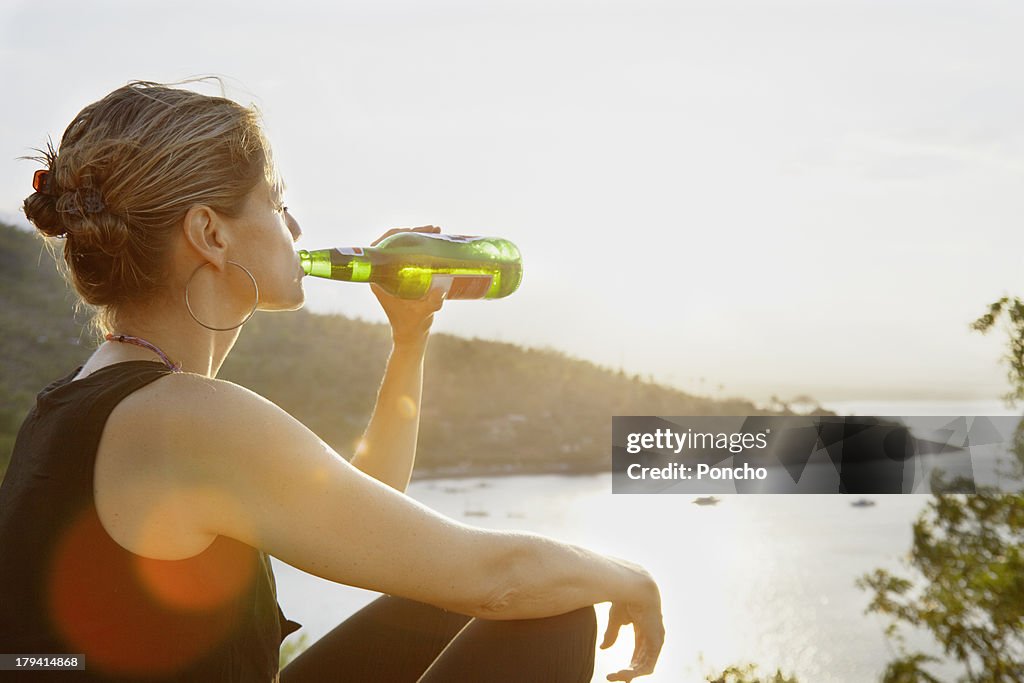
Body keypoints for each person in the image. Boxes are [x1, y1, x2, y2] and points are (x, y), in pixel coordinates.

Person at [0, 81, 664, 682]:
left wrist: (410, 338)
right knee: (555, 609)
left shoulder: (88, 397)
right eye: (276, 201)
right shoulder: (184, 417)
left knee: (439, 603)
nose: (296, 227)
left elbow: (372, 512)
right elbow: (499, 580)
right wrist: (629, 577)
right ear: (209, 232)